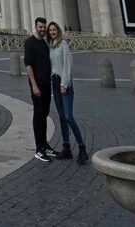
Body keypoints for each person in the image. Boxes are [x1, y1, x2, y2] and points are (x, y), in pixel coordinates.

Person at [48, 22, 88, 164]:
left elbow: (67, 64)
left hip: (65, 84)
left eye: (54, 30)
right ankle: (66, 148)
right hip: (54, 82)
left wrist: (64, 84)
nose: (52, 32)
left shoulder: (62, 44)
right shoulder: (50, 46)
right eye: (50, 30)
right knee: (61, 116)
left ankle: (82, 147)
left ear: (58, 30)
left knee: (69, 116)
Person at [24, 16, 56, 162]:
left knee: (44, 113)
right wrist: (34, 85)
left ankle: (45, 145)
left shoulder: (44, 43)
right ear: (35, 27)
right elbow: (28, 65)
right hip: (37, 85)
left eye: (44, 27)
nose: (43, 29)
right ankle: (38, 149)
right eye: (40, 27)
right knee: (38, 115)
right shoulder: (29, 43)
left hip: (46, 83)